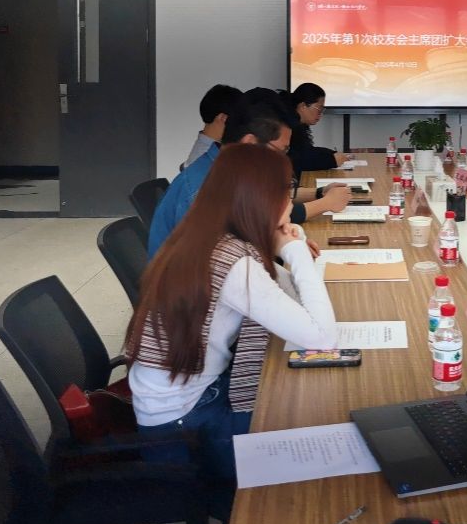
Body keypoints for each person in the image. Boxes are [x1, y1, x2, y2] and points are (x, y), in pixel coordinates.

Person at [126, 143, 338, 480]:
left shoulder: (209, 235)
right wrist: (295, 251)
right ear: (262, 198)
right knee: (314, 430)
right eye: (287, 192)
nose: (291, 202)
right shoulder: (235, 262)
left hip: (173, 403)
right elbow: (321, 336)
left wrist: (280, 245)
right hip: (186, 423)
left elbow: (285, 297)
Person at [148, 100, 350, 257]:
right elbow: (215, 270)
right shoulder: (205, 188)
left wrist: (284, 245)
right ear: (250, 143)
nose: (283, 160)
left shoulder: (231, 173)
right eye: (281, 151)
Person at [279, 83, 349, 174]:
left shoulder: (297, 122)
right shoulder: (286, 125)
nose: (321, 114)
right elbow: (296, 160)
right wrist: (331, 160)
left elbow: (307, 150)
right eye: (319, 109)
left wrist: (331, 153)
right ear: (303, 106)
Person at [182, 84, 243, 169]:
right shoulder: (211, 160)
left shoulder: (203, 152)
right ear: (223, 118)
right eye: (239, 120)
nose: (241, 127)